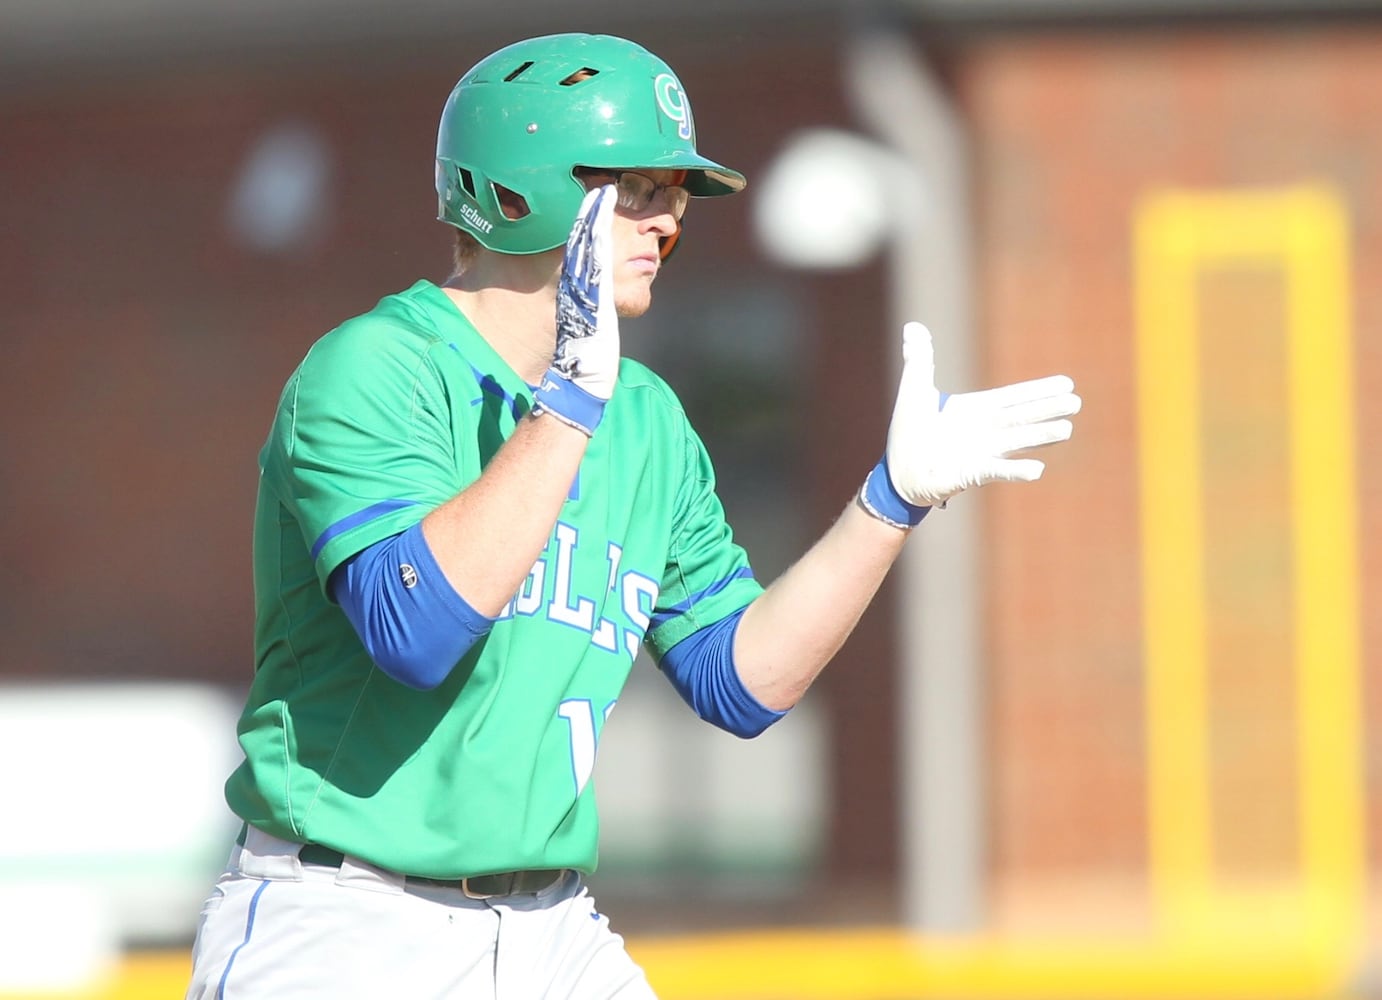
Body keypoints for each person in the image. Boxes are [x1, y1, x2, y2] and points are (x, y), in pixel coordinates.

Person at [185, 31, 1080, 1000]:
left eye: (676, 194)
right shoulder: (376, 367)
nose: (670, 222)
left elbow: (738, 682)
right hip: (347, 921)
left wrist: (890, 502)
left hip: (550, 929)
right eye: (640, 189)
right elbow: (415, 629)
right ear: (525, 189)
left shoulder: (643, 417)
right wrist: (567, 400)